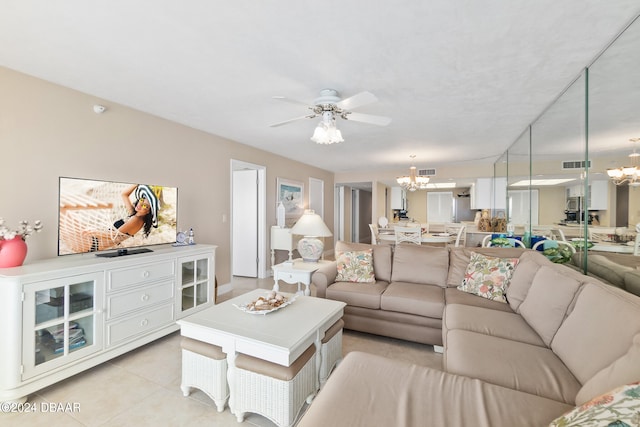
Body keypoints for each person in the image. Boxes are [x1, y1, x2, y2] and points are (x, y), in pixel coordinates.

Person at [81, 184, 158, 252]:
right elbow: (124, 195)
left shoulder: (136, 220)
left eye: (145, 206)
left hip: (96, 243)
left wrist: (94, 232)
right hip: (97, 239)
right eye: (141, 200)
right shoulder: (136, 215)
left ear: (148, 212)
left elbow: (114, 235)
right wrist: (138, 183)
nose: (140, 204)